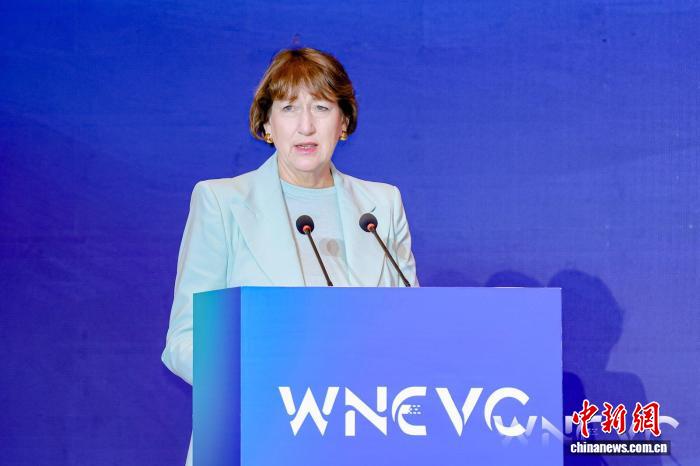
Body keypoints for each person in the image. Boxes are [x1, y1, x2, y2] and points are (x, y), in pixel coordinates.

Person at [161, 47, 419, 465]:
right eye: (288, 108)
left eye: (322, 107)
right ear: (266, 124)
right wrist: (261, 383)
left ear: (344, 122)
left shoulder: (382, 206)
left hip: (360, 441)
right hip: (254, 439)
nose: (305, 125)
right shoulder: (222, 202)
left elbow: (413, 330)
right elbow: (184, 341)